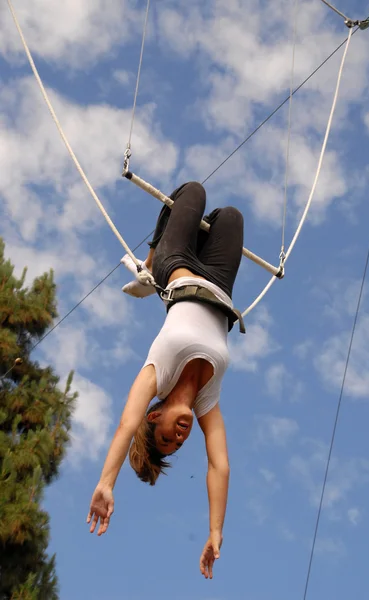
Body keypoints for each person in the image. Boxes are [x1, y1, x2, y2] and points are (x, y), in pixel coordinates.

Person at [87, 181, 244, 579]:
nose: (180, 436)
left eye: (167, 438)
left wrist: (107, 485)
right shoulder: (208, 402)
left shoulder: (157, 375)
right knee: (230, 218)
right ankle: (200, 236)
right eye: (179, 444)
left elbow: (126, 424)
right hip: (220, 287)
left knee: (194, 192)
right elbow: (219, 464)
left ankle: (146, 266)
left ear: (154, 418)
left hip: (174, 268)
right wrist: (214, 531)